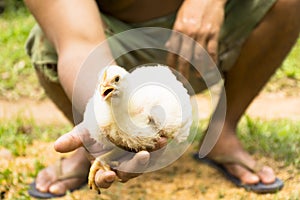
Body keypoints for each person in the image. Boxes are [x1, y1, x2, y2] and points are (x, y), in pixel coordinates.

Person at [24, 0, 300, 198]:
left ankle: (222, 132)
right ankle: (95, 144)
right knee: (49, 40)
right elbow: (78, 42)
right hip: (113, 43)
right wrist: (105, 118)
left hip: (217, 30)